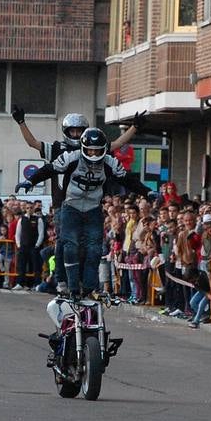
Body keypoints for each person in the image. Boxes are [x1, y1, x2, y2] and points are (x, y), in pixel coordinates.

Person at [18, 127, 154, 300]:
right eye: (90, 150)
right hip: (71, 206)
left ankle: (89, 287)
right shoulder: (71, 157)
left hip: (93, 208)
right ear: (83, 147)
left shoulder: (110, 162)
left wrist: (147, 192)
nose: (94, 154)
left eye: (98, 151)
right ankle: (72, 286)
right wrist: (30, 180)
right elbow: (49, 169)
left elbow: (127, 180)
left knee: (94, 249)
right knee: (70, 246)